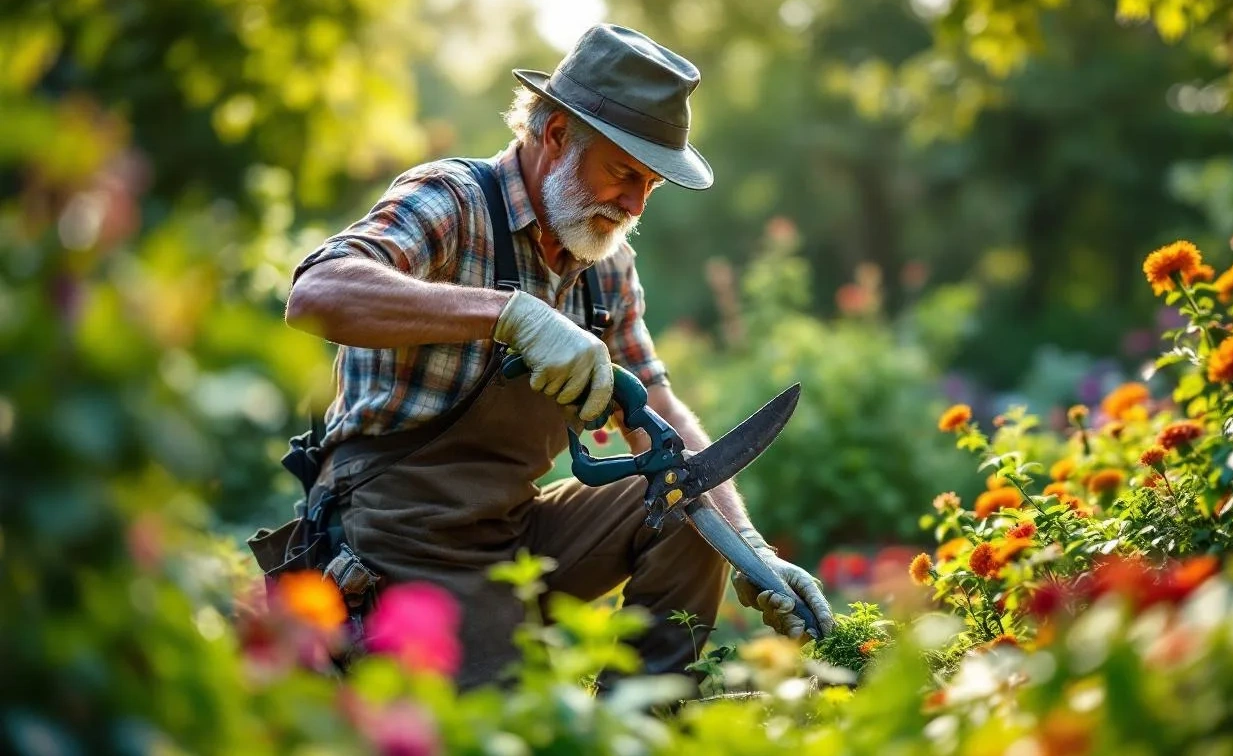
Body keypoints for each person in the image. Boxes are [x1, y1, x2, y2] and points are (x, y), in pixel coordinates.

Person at [282, 23, 835, 690]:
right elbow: (317, 293)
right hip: (400, 530)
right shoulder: (454, 200)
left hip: (512, 528)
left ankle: (647, 716)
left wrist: (747, 546)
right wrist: (509, 315)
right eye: (623, 173)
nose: (634, 205)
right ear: (554, 134)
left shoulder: (606, 264)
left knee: (691, 506)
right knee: (510, 722)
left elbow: (657, 405)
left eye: (651, 185)